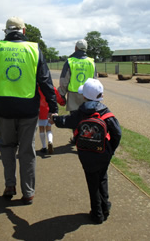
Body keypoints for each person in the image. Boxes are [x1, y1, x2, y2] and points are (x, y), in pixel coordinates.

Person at [0, 16, 58, 205]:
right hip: (28, 109)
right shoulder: (33, 48)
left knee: (7, 147)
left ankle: (10, 185)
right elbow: (45, 80)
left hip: (3, 108)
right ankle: (28, 192)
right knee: (27, 150)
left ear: (6, 32)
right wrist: (53, 106)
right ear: (23, 31)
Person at [50, 78, 121, 224]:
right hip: (103, 154)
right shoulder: (107, 114)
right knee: (102, 178)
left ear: (84, 96)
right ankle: (105, 206)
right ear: (101, 95)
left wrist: (55, 119)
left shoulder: (80, 114)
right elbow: (117, 134)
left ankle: (97, 214)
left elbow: (66, 121)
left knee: (92, 183)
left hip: (86, 155)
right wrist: (110, 150)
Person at [57, 39, 97, 143]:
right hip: (88, 94)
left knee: (75, 118)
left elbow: (64, 80)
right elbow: (95, 79)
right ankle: (86, 137)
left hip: (74, 94)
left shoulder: (70, 61)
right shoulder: (91, 62)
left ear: (75, 48)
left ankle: (76, 137)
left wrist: (61, 93)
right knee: (87, 116)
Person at [38, 86, 65, 154]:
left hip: (40, 110)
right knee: (49, 129)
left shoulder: (37, 88)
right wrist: (62, 102)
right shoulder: (51, 87)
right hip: (49, 110)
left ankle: (44, 147)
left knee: (41, 129)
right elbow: (57, 97)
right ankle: (50, 141)